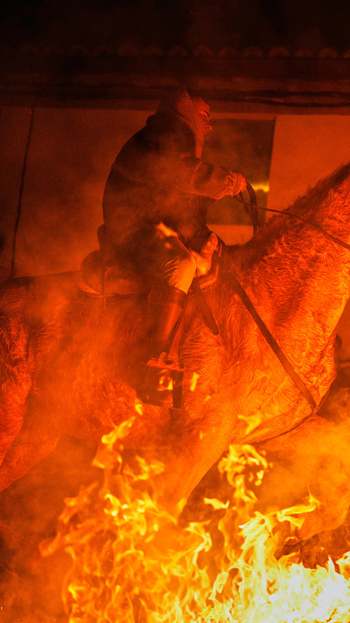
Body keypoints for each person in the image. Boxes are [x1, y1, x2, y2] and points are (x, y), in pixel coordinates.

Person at [101, 86, 247, 405]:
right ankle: (156, 364)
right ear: (188, 113)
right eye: (205, 116)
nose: (209, 126)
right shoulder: (166, 134)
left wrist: (204, 239)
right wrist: (226, 182)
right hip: (133, 229)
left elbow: (181, 210)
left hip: (158, 227)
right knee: (179, 265)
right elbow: (183, 175)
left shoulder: (177, 139)